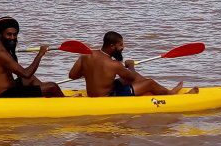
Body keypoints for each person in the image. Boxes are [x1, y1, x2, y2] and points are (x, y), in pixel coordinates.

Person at [69, 31, 198, 97]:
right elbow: (132, 78)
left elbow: (72, 76)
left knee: (124, 80)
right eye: (120, 45)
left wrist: (88, 71)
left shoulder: (85, 56)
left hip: (94, 93)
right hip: (108, 96)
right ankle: (170, 94)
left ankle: (155, 92)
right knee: (149, 82)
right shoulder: (114, 64)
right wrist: (130, 66)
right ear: (112, 46)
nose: (123, 48)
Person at [0, 16, 64, 98]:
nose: (12, 38)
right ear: (0, 35)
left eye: (15, 35)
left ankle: (44, 97)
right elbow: (26, 74)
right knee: (52, 86)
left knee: (31, 79)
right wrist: (40, 54)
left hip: (9, 89)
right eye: (9, 34)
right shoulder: (1, 53)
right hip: (5, 94)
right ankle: (64, 101)